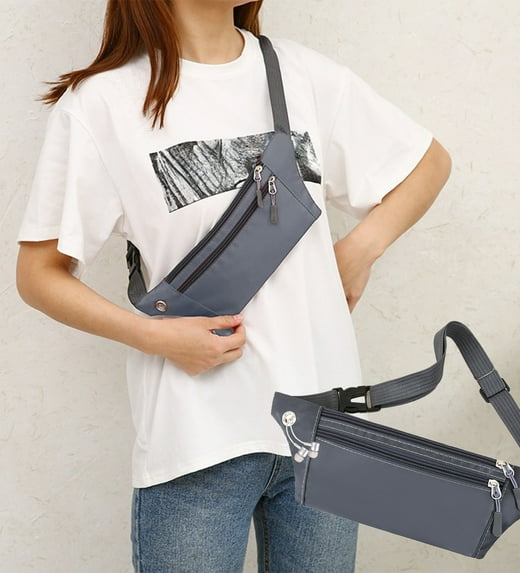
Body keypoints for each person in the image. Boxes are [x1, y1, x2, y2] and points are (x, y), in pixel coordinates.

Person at [16, 1, 451, 571]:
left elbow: (428, 163)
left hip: (322, 432)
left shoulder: (303, 75)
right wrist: (154, 337)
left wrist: (359, 250)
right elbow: (38, 275)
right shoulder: (103, 103)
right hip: (197, 441)